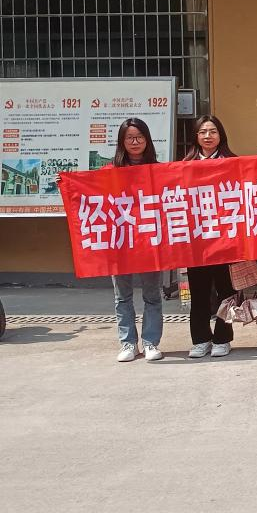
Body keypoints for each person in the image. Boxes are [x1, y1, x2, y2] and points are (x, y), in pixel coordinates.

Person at [110, 118, 165, 363]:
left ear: (147, 140)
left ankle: (151, 342)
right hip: (120, 241)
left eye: (139, 137)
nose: (135, 142)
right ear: (122, 142)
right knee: (122, 296)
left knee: (152, 295)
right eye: (130, 137)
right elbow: (86, 195)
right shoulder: (110, 172)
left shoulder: (159, 170)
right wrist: (66, 185)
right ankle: (128, 343)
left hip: (150, 242)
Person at [184, 115, 238, 359]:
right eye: (203, 132)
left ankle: (223, 338)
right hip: (197, 240)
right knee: (199, 291)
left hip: (225, 238)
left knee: (226, 291)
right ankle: (200, 339)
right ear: (196, 136)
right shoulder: (184, 165)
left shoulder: (233, 162)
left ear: (221, 135)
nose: (208, 136)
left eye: (213, 131)